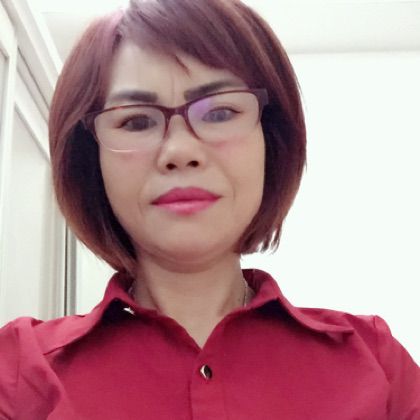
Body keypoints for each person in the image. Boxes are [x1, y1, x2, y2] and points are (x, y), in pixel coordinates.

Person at [1, 0, 419, 418]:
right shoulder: (18, 369)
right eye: (136, 121)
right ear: (90, 159)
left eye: (220, 112)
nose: (180, 151)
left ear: (270, 140)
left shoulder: (377, 363)